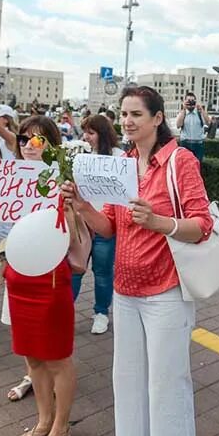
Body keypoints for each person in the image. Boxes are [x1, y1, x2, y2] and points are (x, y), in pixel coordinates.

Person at [61, 85, 213, 436]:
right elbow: (109, 226)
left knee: (167, 388)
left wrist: (160, 222)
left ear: (157, 118)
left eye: (136, 115)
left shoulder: (181, 160)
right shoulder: (122, 164)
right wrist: (81, 206)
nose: (127, 121)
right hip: (125, 292)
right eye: (123, 114)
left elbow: (202, 225)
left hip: (166, 293)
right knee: (127, 384)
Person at [6, 115, 89, 436]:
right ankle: (43, 421)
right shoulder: (9, 178)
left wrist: (70, 208)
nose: (28, 144)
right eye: (24, 138)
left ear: (53, 146)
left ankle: (60, 428)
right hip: (18, 276)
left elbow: (75, 245)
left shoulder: (64, 184)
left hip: (51, 279)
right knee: (32, 357)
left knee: (56, 357)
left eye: (38, 140)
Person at [80, 114, 122, 335]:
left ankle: (101, 312)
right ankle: (64, 311)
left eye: (91, 132)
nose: (86, 137)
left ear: (103, 134)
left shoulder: (119, 157)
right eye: (85, 132)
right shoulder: (79, 155)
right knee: (74, 269)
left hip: (105, 224)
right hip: (81, 224)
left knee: (102, 271)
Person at [175, 91, 211, 162]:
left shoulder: (199, 113)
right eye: (188, 101)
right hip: (185, 144)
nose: (190, 103)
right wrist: (184, 109)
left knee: (197, 166)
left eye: (192, 101)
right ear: (185, 102)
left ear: (195, 102)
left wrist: (202, 110)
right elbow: (178, 125)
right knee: (184, 166)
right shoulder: (183, 113)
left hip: (198, 144)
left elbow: (208, 123)